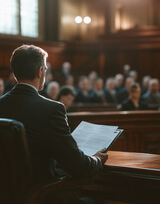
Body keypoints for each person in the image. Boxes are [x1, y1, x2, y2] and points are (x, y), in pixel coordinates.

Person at [0, 44, 108, 186]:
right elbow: (78, 167)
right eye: (45, 69)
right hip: (39, 193)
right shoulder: (52, 109)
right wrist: (97, 159)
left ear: (15, 72)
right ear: (40, 71)